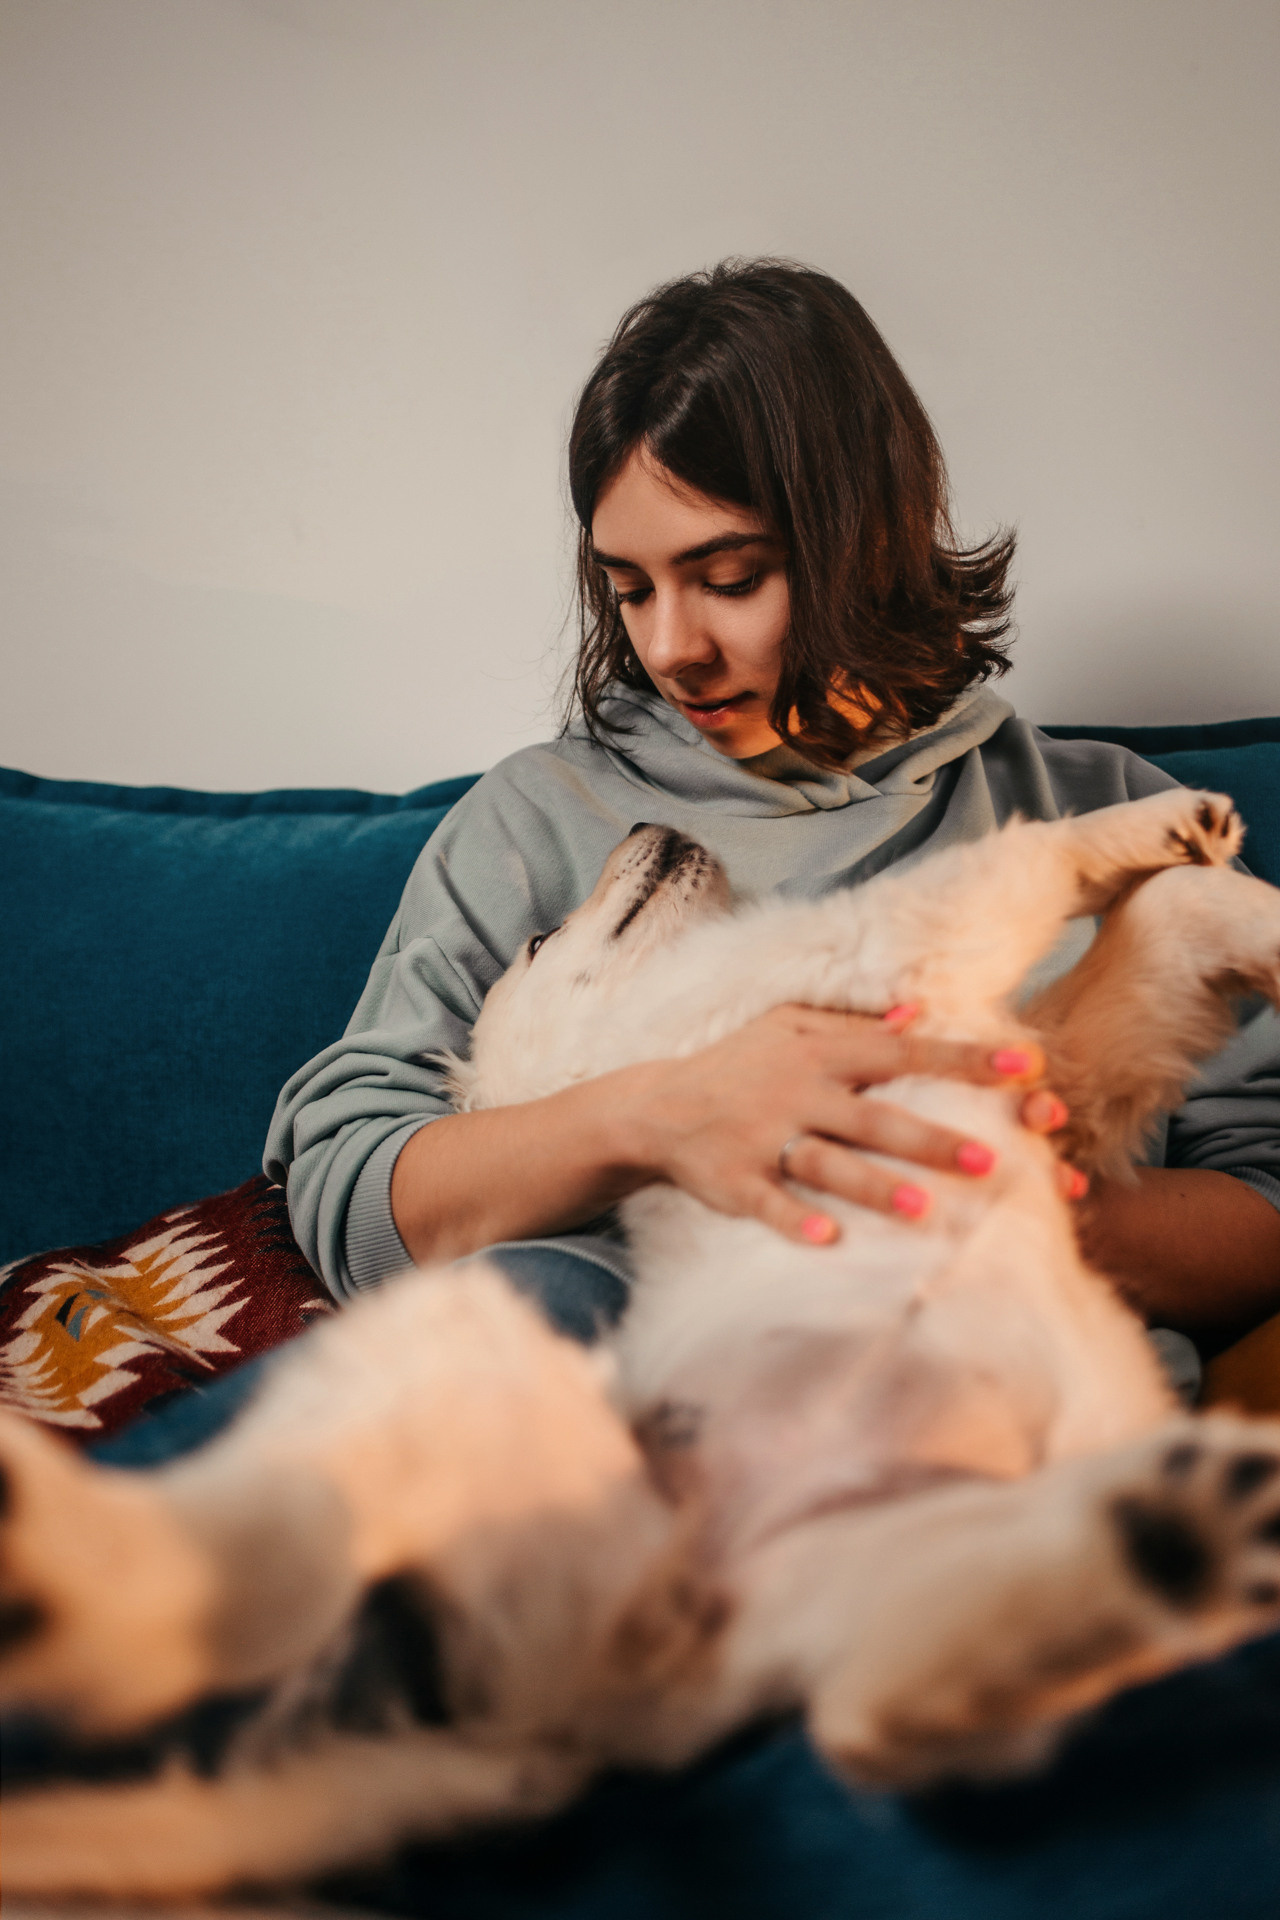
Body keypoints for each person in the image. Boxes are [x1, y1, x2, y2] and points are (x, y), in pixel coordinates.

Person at [266, 259, 1280, 1353]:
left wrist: (968, 1196)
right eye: (629, 587)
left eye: (730, 577)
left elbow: (1260, 1219)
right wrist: (658, 1116)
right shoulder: (536, 818)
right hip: (609, 1389)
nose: (669, 649)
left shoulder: (1117, 818)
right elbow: (349, 1197)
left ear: (870, 535)